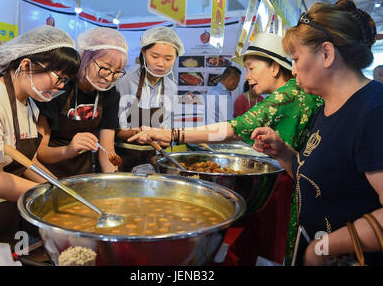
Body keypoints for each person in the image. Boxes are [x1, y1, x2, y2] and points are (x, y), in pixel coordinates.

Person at [128, 32, 324, 265]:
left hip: (295, 190)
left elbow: (233, 128)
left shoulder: (287, 95)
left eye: (251, 68)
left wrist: (170, 135)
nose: (248, 77)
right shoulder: (290, 93)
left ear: (274, 67)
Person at [251, 0, 383, 266]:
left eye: (296, 59)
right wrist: (285, 154)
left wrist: (323, 247)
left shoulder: (373, 112)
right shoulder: (328, 106)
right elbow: (328, 181)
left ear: (326, 54)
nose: (294, 69)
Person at [0, 25, 80, 244]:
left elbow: (27, 160)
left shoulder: (30, 104)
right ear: (26, 65)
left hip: (4, 207)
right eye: (58, 77)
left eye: (65, 81)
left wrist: (60, 186)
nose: (60, 87)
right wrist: (54, 197)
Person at [35, 27, 128, 177]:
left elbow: (107, 149)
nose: (110, 78)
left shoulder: (110, 95)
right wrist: (68, 150)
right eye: (105, 68)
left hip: (83, 172)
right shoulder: (59, 87)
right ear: (86, 57)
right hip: (49, 172)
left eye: (117, 71)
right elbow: (40, 152)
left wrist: (115, 182)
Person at [115, 26, 184, 172]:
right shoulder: (125, 81)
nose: (161, 63)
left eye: (168, 58)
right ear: (143, 52)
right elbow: (115, 130)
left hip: (154, 157)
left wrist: (165, 138)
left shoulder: (171, 87)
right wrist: (137, 132)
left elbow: (166, 127)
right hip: (124, 157)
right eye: (154, 56)